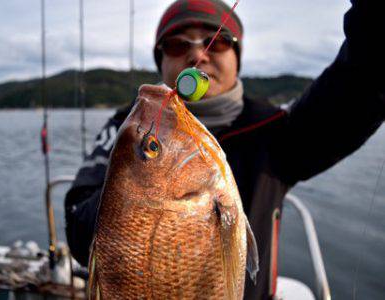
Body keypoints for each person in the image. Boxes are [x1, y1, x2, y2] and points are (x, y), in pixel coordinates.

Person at [64, 0, 384, 299]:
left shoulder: (275, 130)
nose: (197, 55)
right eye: (177, 45)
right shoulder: (131, 126)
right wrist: (134, 209)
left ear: (237, 57)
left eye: (216, 42)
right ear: (161, 58)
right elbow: (77, 221)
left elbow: (362, 82)